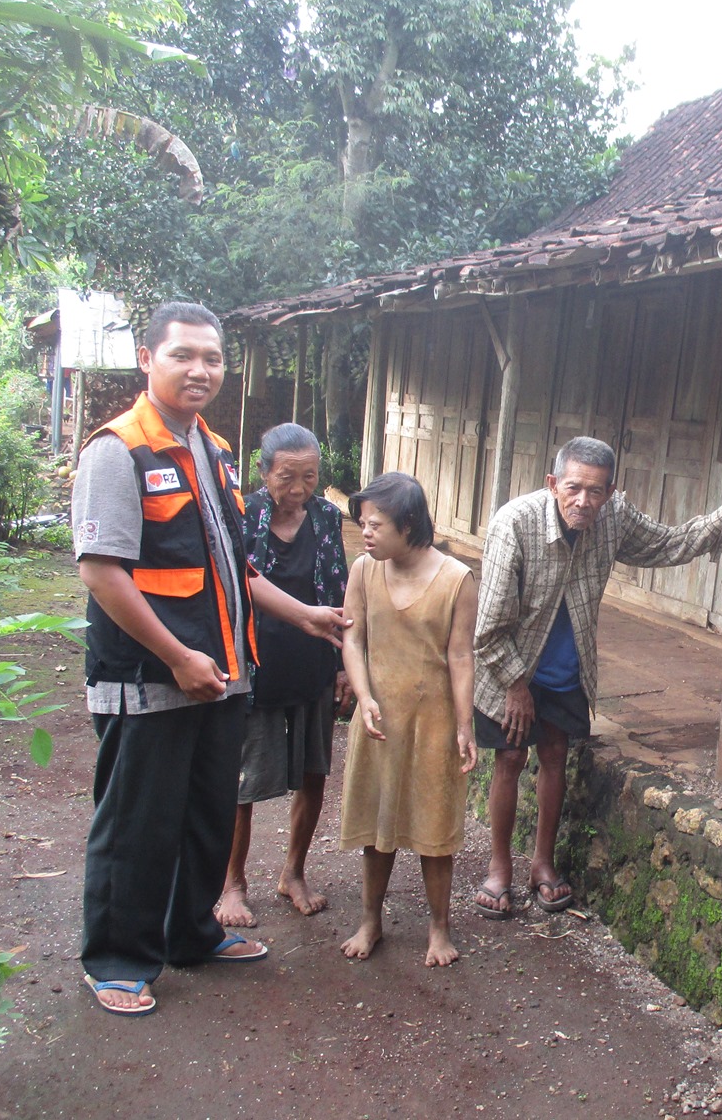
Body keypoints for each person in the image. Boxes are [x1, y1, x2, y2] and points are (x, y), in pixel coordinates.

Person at [72, 301, 349, 1017]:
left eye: (213, 358)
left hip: (223, 676)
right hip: (150, 678)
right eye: (183, 355)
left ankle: (190, 933)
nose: (200, 370)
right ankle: (117, 959)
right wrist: (176, 656)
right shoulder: (119, 451)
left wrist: (306, 614)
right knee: (137, 820)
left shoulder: (213, 449)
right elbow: (102, 572)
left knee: (205, 814)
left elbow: (235, 568)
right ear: (147, 358)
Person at [472, 437, 722, 918]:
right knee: (509, 757)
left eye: (596, 491)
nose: (583, 501)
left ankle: (542, 865)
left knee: (555, 754)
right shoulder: (514, 524)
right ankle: (499, 867)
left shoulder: (615, 516)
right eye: (573, 488)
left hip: (567, 667)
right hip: (509, 664)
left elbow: (669, 543)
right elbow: (488, 629)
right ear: (553, 484)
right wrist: (515, 684)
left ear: (610, 492)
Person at [338, 472, 479, 967]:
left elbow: (461, 656)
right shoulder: (363, 570)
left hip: (433, 722)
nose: (365, 532)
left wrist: (465, 725)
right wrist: (363, 696)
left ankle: (439, 929)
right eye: (362, 523)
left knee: (434, 830)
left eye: (375, 524)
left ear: (409, 524)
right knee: (378, 826)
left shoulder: (456, 579)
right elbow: (353, 638)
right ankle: (370, 920)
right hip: (379, 719)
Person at [216, 424, 351, 930]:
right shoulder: (241, 515)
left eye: (309, 477)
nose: (299, 489)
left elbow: (339, 590)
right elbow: (230, 590)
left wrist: (343, 666)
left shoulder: (326, 517)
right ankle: (232, 883)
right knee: (243, 782)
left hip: (312, 665)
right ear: (262, 472)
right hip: (254, 669)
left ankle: (293, 873)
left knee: (314, 773)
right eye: (287, 477)